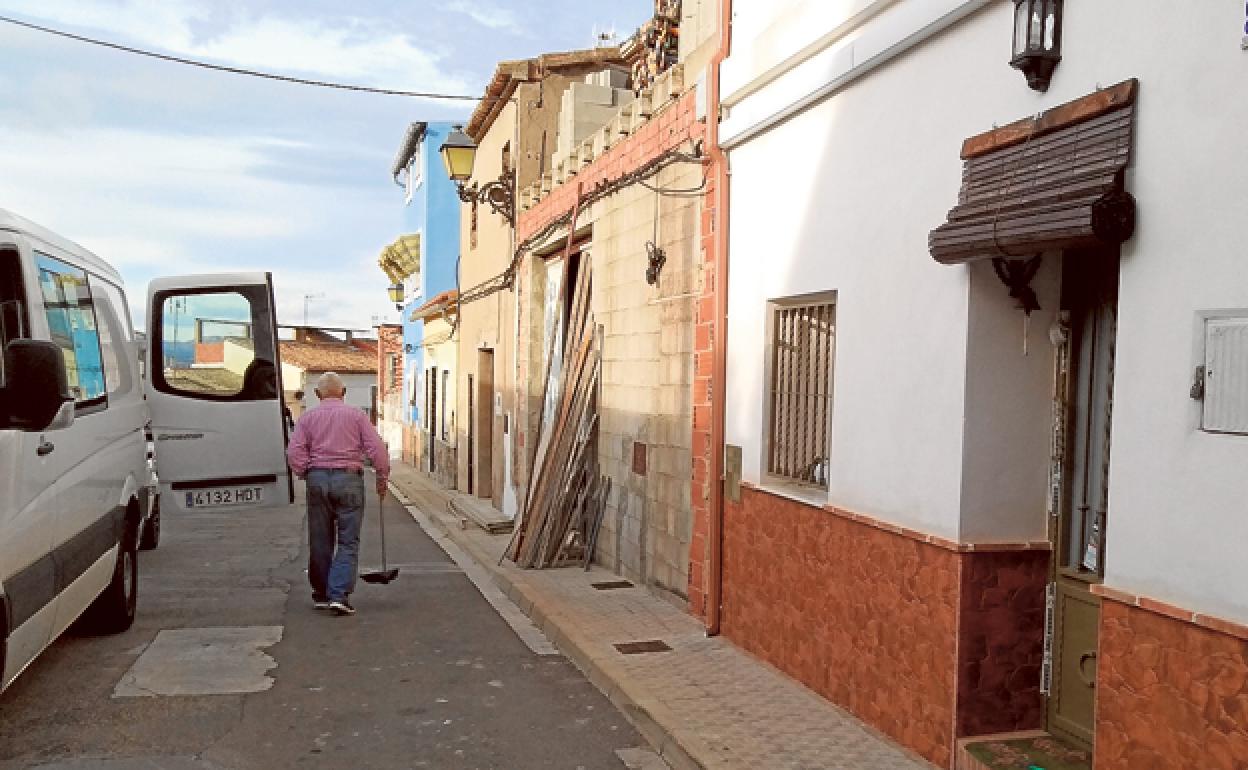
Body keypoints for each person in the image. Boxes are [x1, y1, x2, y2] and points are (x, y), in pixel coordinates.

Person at [286, 371, 390, 616]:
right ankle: (339, 594)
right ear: (343, 393)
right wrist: (382, 478)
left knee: (320, 539)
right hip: (349, 479)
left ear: (316, 394)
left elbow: (294, 453)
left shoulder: (307, 418)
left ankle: (322, 593)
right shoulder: (356, 416)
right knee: (348, 540)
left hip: (317, 478)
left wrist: (306, 473)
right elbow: (377, 449)